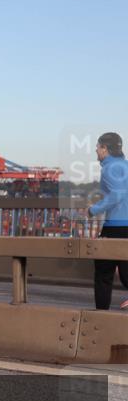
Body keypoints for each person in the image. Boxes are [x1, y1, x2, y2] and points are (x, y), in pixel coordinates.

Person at [88, 132, 128, 310]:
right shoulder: (125, 165)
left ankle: (101, 316)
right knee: (126, 271)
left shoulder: (109, 167)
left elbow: (117, 195)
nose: (96, 150)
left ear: (105, 148)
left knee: (103, 272)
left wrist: (93, 209)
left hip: (116, 226)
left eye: (98, 146)